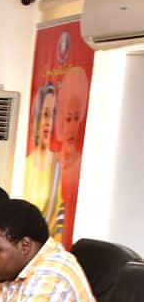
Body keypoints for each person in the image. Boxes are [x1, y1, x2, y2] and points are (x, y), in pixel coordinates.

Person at [55, 68, 89, 246]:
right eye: (68, 119)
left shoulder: (82, 165)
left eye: (76, 118)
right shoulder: (52, 163)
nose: (72, 126)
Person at [22, 83, 62, 235]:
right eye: (45, 114)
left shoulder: (59, 166)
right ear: (36, 118)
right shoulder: (26, 165)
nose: (48, 122)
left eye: (52, 115)